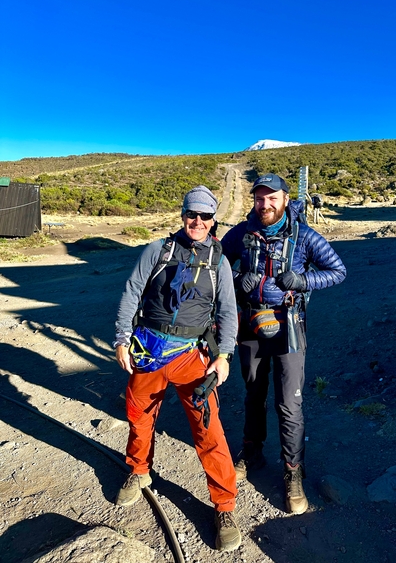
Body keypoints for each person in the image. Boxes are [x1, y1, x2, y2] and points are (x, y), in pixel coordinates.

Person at [113, 185, 241, 552]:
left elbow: (228, 312)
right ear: (182, 214)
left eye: (205, 216)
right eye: (192, 214)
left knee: (208, 429)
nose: (197, 221)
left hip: (191, 355)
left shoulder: (219, 261)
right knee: (139, 417)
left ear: (214, 220)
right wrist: (122, 339)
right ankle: (139, 471)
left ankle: (224, 506)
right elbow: (132, 292)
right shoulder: (158, 250)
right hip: (148, 351)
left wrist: (224, 355)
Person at [221, 173, 346, 515]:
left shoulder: (304, 236)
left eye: (272, 198)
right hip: (250, 324)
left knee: (289, 403)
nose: (265, 204)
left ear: (286, 200)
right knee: (253, 393)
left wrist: (303, 280)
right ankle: (252, 451)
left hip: (289, 326)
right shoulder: (242, 234)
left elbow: (338, 271)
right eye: (260, 198)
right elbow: (217, 261)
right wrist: (235, 278)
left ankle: (293, 473)